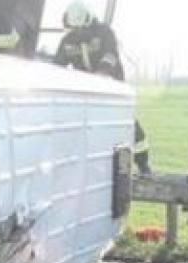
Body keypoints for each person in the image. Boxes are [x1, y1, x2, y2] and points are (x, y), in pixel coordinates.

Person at [54, 1, 151, 173]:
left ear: (89, 22)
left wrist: (102, 74)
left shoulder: (104, 33)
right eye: (73, 29)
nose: (78, 32)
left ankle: (143, 163)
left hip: (112, 86)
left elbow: (110, 55)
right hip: (87, 90)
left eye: (80, 29)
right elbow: (57, 65)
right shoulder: (67, 41)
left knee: (125, 122)